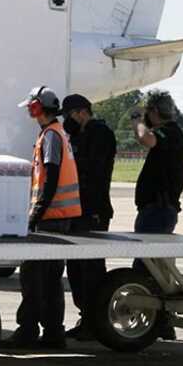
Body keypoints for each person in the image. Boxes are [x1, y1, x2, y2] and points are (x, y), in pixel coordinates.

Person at [1, 86, 82, 350]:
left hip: (51, 217)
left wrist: (36, 212)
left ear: (38, 107)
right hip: (60, 217)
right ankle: (53, 333)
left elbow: (51, 176)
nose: (29, 111)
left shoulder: (50, 136)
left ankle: (28, 331)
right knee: (50, 279)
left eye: (31, 107)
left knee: (33, 275)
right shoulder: (58, 133)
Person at [61, 94, 116, 341]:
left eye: (70, 115)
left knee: (91, 268)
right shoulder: (79, 135)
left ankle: (96, 320)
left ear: (82, 112)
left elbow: (92, 170)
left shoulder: (100, 133)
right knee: (76, 267)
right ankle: (87, 317)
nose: (67, 121)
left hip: (93, 210)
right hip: (78, 210)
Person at [131, 90, 183, 234]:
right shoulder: (170, 132)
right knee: (149, 257)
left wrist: (137, 119)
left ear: (155, 111)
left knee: (146, 255)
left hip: (158, 210)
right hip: (156, 209)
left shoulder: (170, 131)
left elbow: (145, 138)